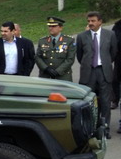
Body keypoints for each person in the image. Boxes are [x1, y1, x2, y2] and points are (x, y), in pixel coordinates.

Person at [76, 11, 118, 139]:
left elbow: (113, 52)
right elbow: (79, 55)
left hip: (104, 72)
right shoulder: (82, 36)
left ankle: (105, 129)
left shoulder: (110, 35)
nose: (90, 23)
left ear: (100, 21)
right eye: (89, 21)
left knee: (105, 102)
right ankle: (90, 130)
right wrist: (88, 64)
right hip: (88, 73)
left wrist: (104, 63)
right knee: (89, 103)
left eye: (93, 21)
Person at [34, 16, 76, 81]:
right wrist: (46, 68)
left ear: (60, 27)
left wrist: (58, 71)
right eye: (49, 26)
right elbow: (37, 57)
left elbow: (70, 59)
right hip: (46, 76)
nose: (50, 28)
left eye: (53, 26)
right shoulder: (42, 41)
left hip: (63, 77)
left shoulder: (69, 41)